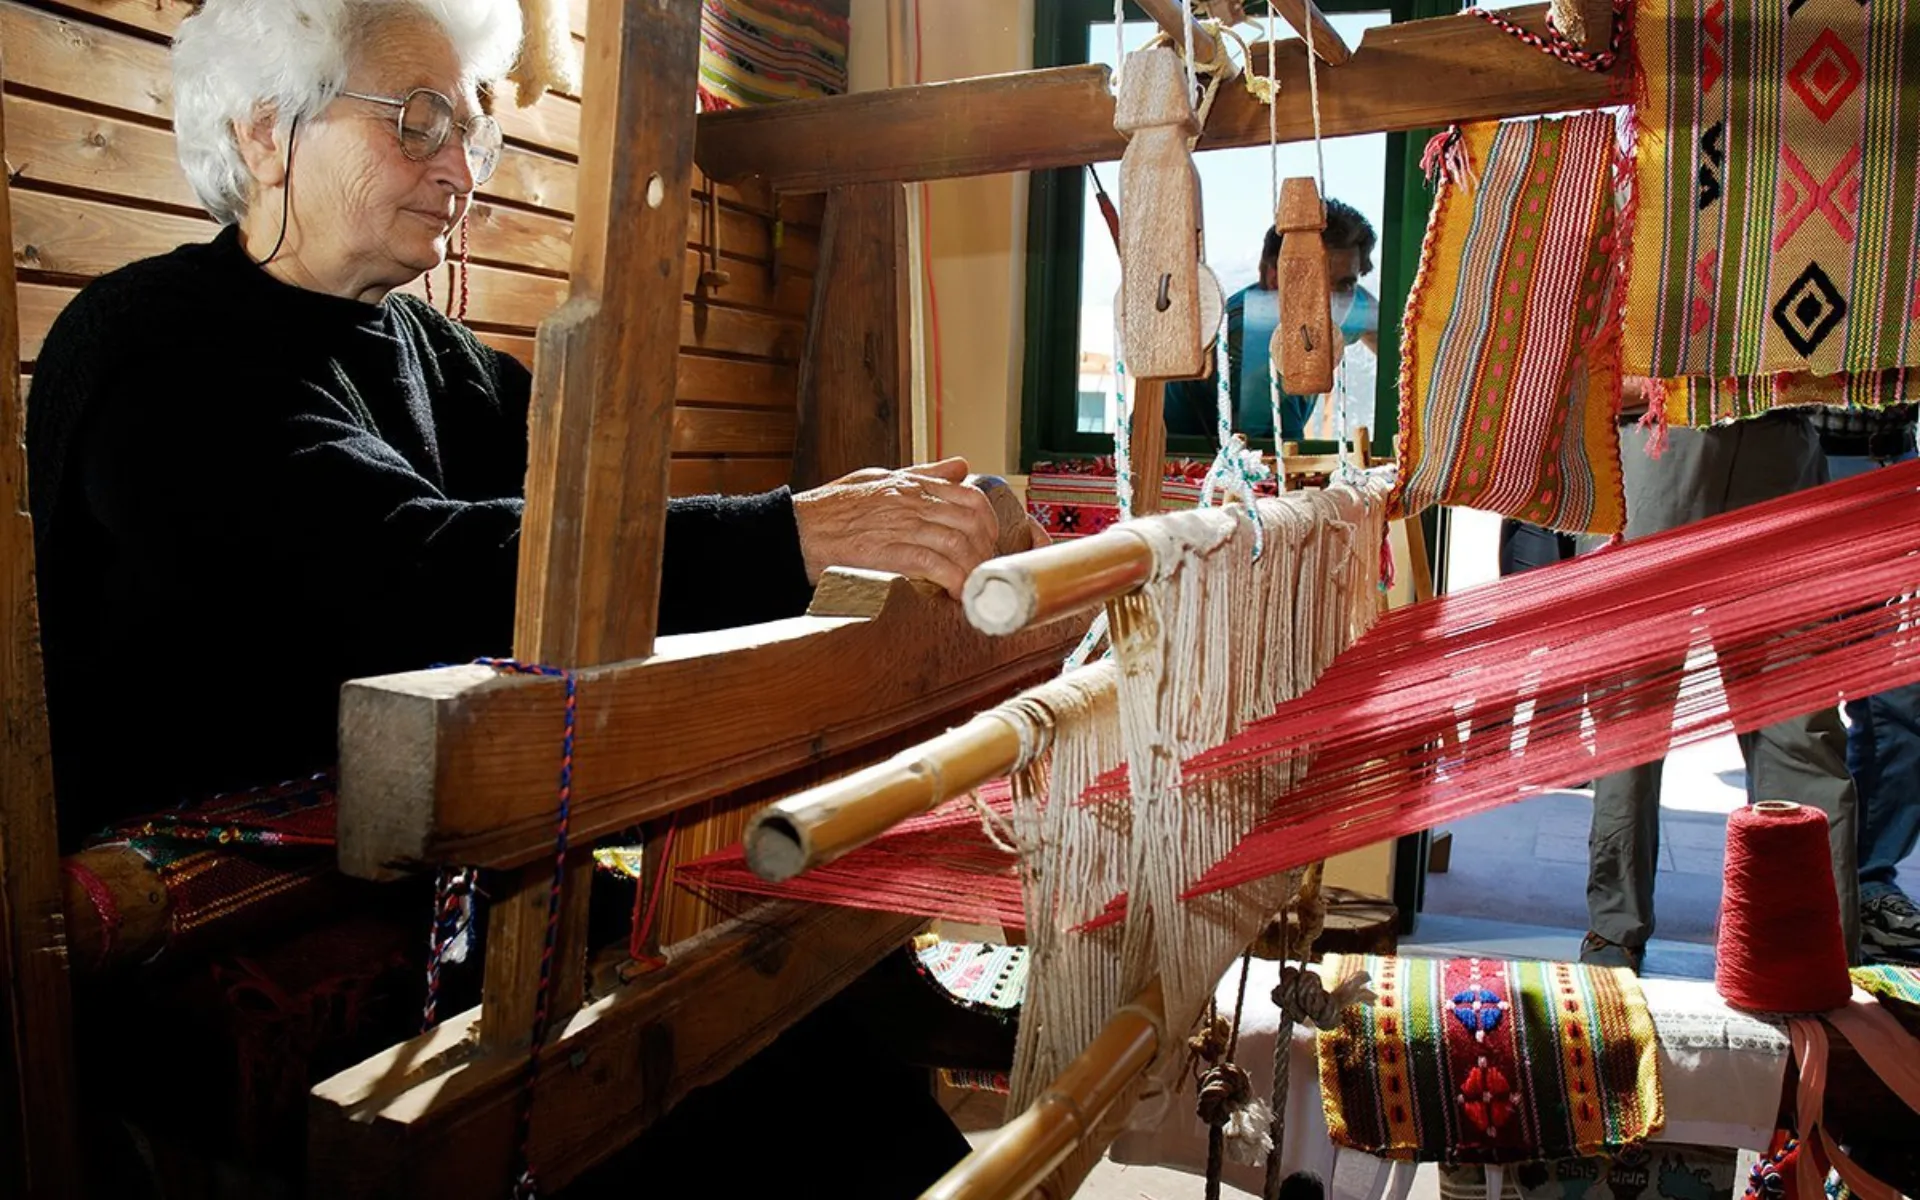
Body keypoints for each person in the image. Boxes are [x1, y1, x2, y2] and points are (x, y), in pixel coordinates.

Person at [26, 0, 999, 1193]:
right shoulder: (148, 349)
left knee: (788, 1035)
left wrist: (831, 535)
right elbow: (402, 574)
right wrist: (795, 533)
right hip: (222, 901)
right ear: (267, 131)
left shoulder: (430, 354)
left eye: (469, 131)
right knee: (707, 1081)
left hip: (433, 843)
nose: (460, 168)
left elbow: (596, 518)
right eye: (417, 122)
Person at [1581, 391, 1861, 972]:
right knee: (1635, 709)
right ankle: (1618, 930)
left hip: (1743, 430)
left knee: (1792, 721)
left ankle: (1814, 951)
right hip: (1679, 428)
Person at [1813, 403, 1920, 961]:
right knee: (1796, 712)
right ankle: (1797, 878)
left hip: (1896, 467)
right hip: (1804, 466)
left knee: (1901, 702)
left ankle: (1871, 881)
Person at [1163, 199, 1377, 442]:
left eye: (1344, 284)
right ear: (1275, 278)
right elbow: (1275, 455)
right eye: (1314, 279)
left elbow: (1389, 338)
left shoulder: (1347, 304)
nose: (1330, 301)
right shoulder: (1249, 347)